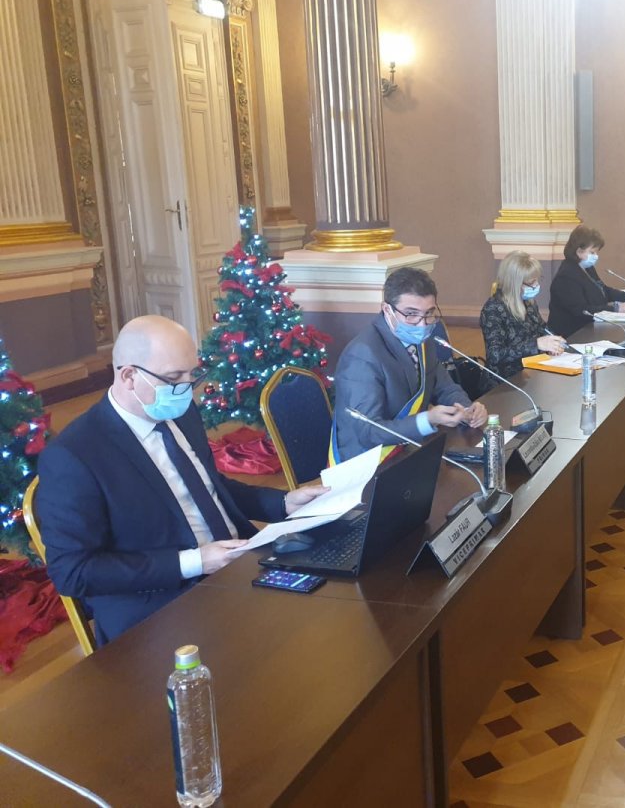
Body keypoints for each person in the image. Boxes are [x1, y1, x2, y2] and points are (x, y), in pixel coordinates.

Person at [36, 316, 329, 645]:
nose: (188, 389)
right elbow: (73, 572)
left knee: (327, 612)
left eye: (192, 375)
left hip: (238, 564)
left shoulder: (181, 412)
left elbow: (210, 486)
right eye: (174, 378)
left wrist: (283, 502)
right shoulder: (74, 456)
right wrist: (194, 562)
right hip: (160, 605)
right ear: (129, 376)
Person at [333, 267, 487, 461]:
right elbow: (369, 431)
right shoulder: (362, 355)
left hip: (409, 449)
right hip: (368, 461)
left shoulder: (423, 341)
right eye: (411, 314)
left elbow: (445, 388)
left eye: (429, 313)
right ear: (387, 310)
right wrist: (427, 420)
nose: (422, 325)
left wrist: (468, 410)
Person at [547, 225, 625, 337]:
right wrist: (615, 308)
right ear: (579, 251)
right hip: (572, 334)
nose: (596, 256)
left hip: (590, 328)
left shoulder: (587, 268)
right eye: (592, 252)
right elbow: (582, 310)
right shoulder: (566, 276)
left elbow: (603, 290)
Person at [481, 251, 566, 378]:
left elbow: (542, 328)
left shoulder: (528, 302)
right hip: (505, 379)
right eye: (531, 282)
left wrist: (553, 341)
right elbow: (495, 355)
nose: (536, 285)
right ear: (514, 284)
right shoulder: (493, 309)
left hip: (531, 371)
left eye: (537, 280)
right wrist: (536, 344)